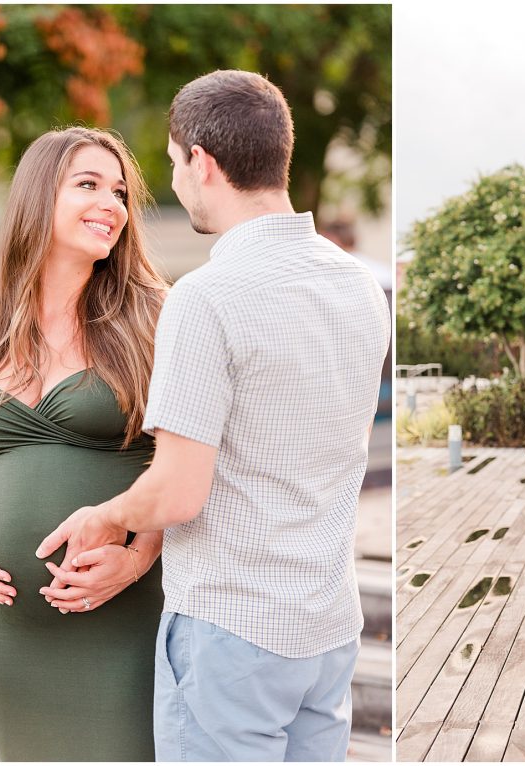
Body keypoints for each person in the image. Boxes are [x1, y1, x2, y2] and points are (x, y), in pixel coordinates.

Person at [36, 70, 391, 762]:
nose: (174, 182)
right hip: (327, 627)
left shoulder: (207, 298)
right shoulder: (358, 286)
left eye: (173, 164)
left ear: (201, 160)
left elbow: (177, 491)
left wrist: (101, 517)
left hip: (233, 631)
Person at [0, 127, 169, 760]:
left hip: (122, 612)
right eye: (87, 184)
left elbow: (185, 464)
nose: (110, 204)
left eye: (120, 192)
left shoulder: (157, 315)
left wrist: (138, 556)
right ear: (36, 197)